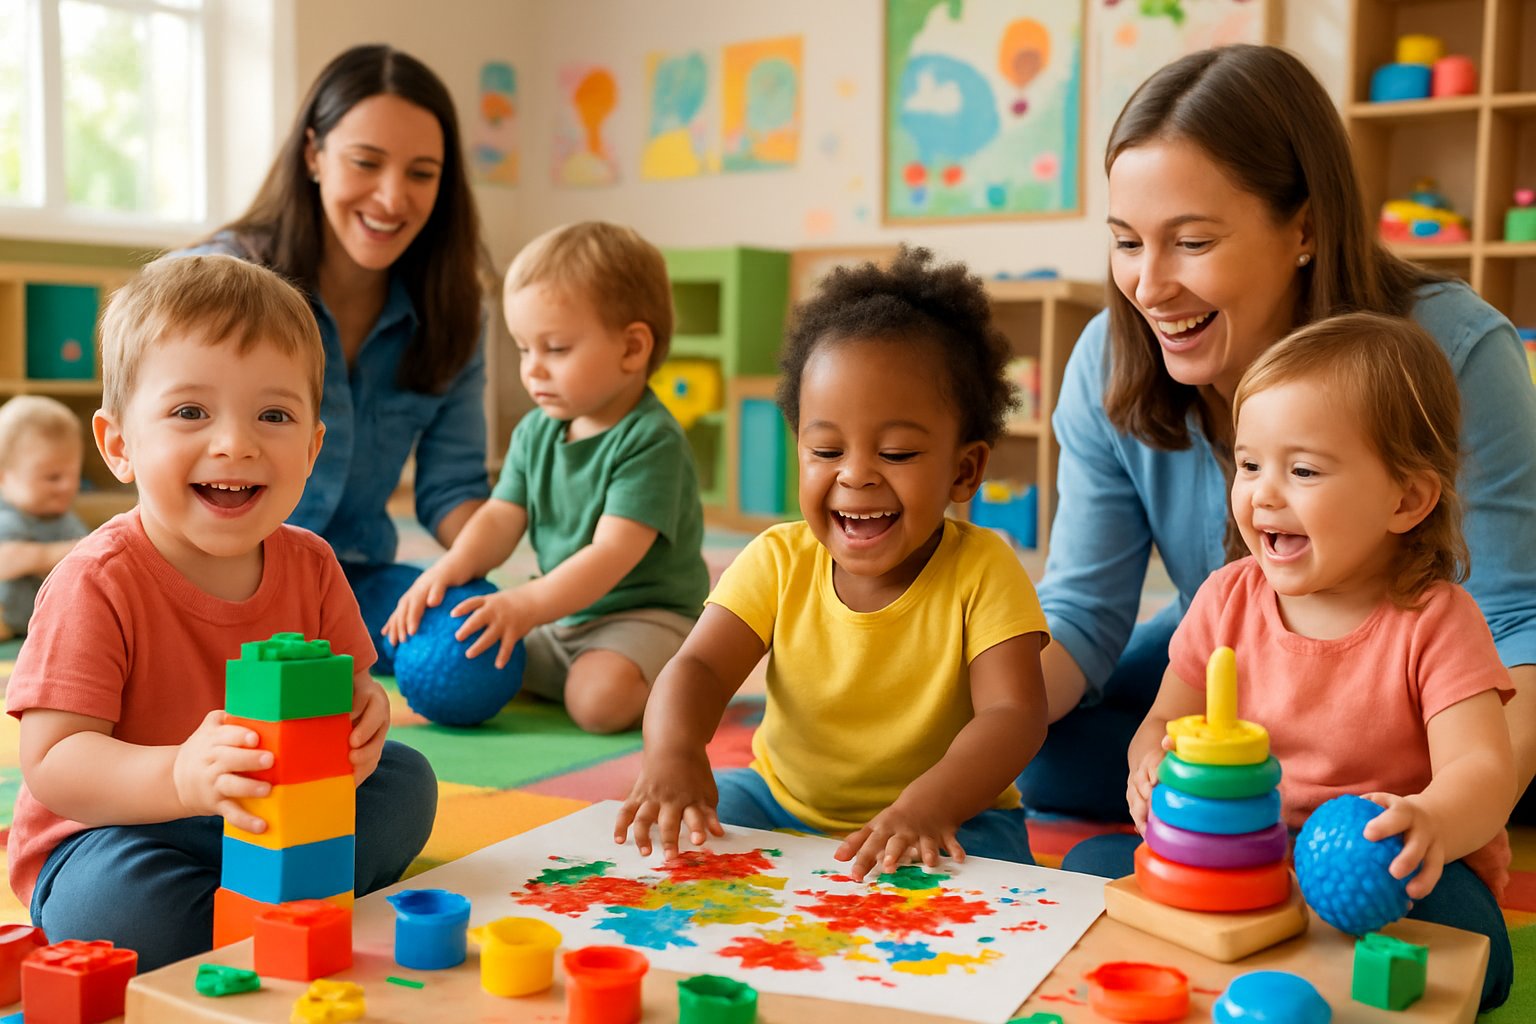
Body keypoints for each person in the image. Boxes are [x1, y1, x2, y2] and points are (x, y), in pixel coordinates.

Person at [1022, 44, 1536, 823]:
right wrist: (959, 708)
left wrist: (1455, 805)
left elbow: (1512, 625)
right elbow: (1085, 614)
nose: (1149, 287)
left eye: (1192, 242)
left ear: (1306, 228)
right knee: (1041, 755)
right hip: (1244, 672)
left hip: (1416, 705)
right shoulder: (1108, 357)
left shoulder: (1454, 351)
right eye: (1128, 241)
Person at [1061, 312, 1515, 1010]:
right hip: (1244, 851)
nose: (1263, 493)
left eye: (1302, 470)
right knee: (1090, 870)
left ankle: (1295, 948)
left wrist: (1430, 822)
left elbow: (1483, 769)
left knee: (1470, 941)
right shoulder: (1225, 600)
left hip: (1383, 867)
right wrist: (1149, 767)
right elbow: (1162, 724)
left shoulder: (1438, 619)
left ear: (1407, 498)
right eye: (1248, 465)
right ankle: (1275, 947)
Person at [6, 255, 438, 971]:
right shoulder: (96, 581)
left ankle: (264, 903)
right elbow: (53, 765)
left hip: (276, 815)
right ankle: (258, 914)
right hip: (119, 830)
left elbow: (354, 692)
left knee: (407, 783)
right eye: (190, 412)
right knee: (115, 905)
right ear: (119, 446)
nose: (235, 441)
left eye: (273, 415)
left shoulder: (313, 565)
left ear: (311, 449)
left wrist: (364, 722)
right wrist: (179, 777)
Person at [614, 248, 1050, 879]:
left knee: (991, 874)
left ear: (964, 470)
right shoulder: (777, 559)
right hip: (783, 805)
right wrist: (674, 753)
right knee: (687, 839)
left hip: (952, 812)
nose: (855, 474)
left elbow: (1014, 716)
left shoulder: (985, 569)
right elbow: (700, 666)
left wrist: (929, 806)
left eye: (897, 453)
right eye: (825, 448)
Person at [181, 44, 493, 671]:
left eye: (421, 173)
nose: (391, 198)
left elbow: (452, 486)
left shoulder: (455, 310)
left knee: (477, 645)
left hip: (352, 581)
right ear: (314, 154)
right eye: (366, 162)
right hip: (212, 573)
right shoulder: (221, 281)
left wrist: (548, 561)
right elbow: (158, 427)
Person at [384, 222, 708, 735]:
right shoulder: (537, 430)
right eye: (522, 348)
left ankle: (694, 677)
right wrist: (449, 568)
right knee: (476, 647)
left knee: (597, 704)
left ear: (632, 349)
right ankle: (561, 669)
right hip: (562, 615)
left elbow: (610, 555)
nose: (532, 370)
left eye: (554, 349)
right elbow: (500, 515)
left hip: (645, 615)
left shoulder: (651, 440)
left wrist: (526, 604)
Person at [0, 396, 89, 638]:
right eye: (52, 478)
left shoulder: (66, 522)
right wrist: (53, 555)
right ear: (4, 478)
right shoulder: (6, 517)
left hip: (46, 625)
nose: (68, 486)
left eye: (75, 476)